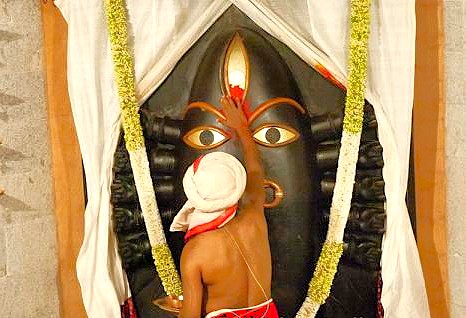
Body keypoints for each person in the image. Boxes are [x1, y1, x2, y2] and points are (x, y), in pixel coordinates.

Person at [169, 96, 278, 318]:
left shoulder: (195, 253)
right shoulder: (254, 217)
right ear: (236, 188)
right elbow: (255, 169)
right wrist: (242, 127)